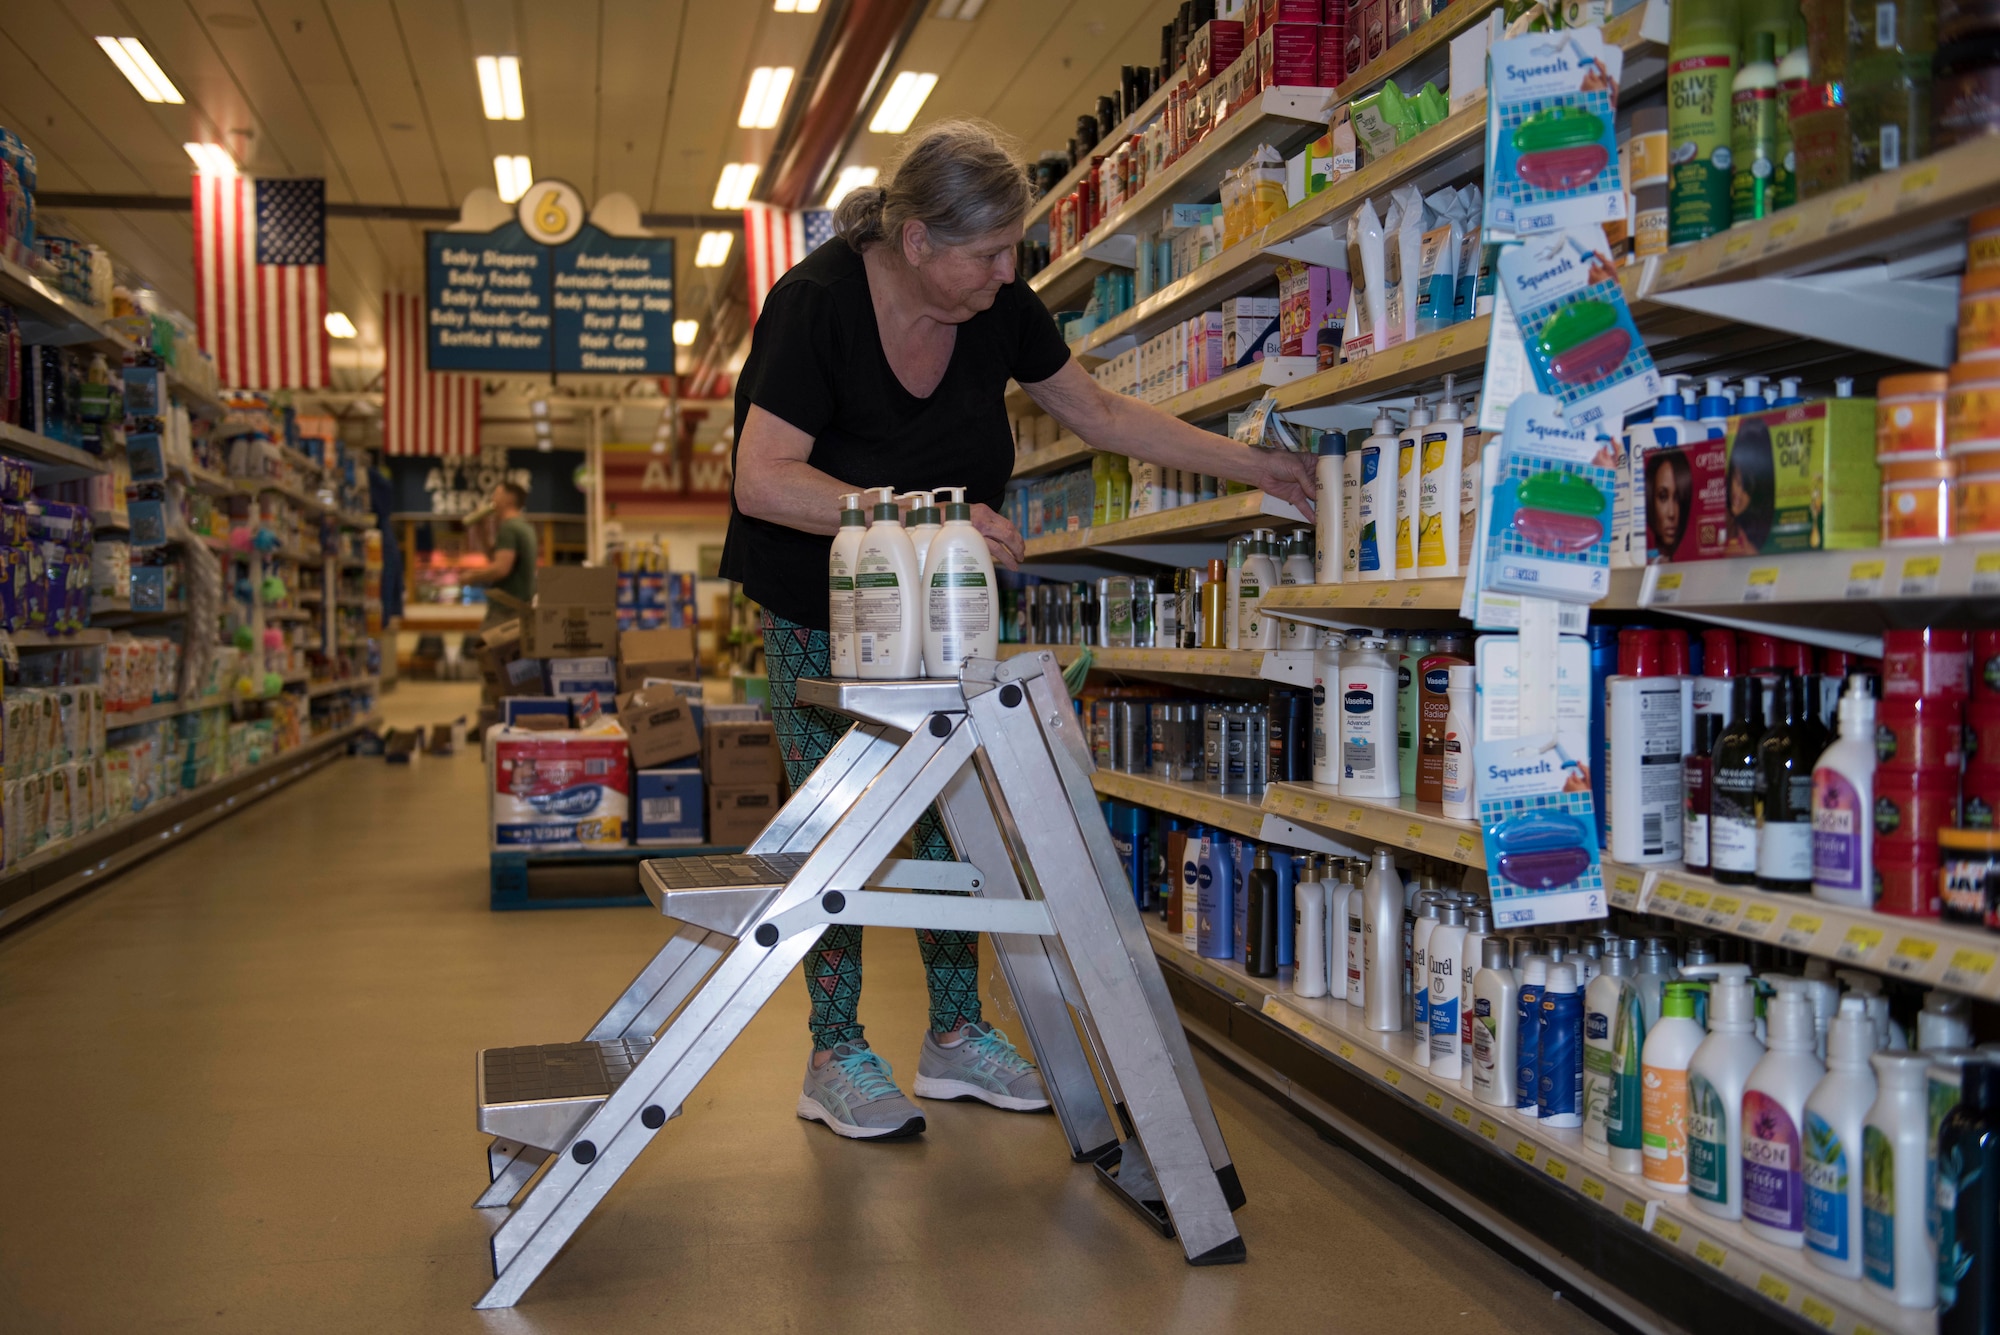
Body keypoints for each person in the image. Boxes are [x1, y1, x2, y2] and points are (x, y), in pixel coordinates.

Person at [720, 120, 1316, 1141]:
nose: (1008, 273)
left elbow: (1100, 416)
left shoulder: (997, 308)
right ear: (915, 240)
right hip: (817, 604)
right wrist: (930, 513)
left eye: (1015, 250)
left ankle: (952, 1036)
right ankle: (832, 1053)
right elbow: (763, 480)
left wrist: (1253, 466)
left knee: (955, 818)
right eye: (989, 252)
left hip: (944, 607)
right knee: (837, 831)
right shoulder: (813, 305)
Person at [466, 483, 537, 624]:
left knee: (487, 646)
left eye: (496, 494)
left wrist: (471, 576)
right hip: (521, 609)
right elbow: (494, 558)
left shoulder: (509, 528)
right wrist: (483, 529)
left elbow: (501, 569)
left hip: (506, 611)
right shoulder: (525, 527)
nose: (492, 499)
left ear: (509, 499)